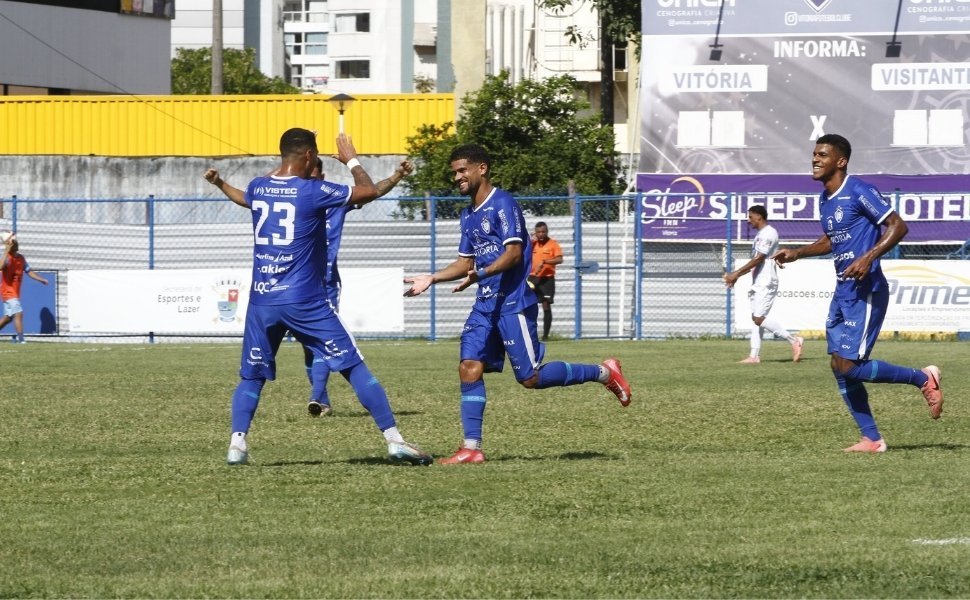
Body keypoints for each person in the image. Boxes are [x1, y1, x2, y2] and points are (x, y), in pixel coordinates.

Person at [403, 144, 631, 465]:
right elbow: (463, 262)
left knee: (530, 378)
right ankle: (472, 447)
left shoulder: (503, 203)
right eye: (454, 172)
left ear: (481, 168)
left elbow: (512, 254)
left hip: (513, 303)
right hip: (484, 306)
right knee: (469, 367)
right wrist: (432, 277)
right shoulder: (468, 215)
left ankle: (603, 372)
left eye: (461, 170)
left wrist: (479, 273)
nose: (456, 177)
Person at [224, 128, 431, 465]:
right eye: (316, 155)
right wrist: (351, 159)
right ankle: (395, 441)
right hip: (304, 299)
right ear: (308, 156)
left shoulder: (258, 186)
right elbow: (367, 191)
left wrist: (220, 184)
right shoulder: (312, 191)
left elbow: (245, 195)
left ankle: (237, 445)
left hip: (262, 301)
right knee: (353, 365)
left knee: (252, 375)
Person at [773, 133, 943, 453]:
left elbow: (897, 225)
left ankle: (922, 378)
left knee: (849, 365)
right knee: (838, 364)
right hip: (843, 290)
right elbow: (831, 241)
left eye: (822, 155)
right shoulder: (825, 198)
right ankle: (872, 439)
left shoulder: (859, 190)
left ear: (841, 161)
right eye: (814, 154)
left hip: (867, 289)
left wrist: (869, 256)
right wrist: (798, 252)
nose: (815, 159)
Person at [205, 156, 413, 417]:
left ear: (321, 178)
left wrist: (396, 176)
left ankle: (317, 396)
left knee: (317, 346)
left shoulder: (332, 200)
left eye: (310, 175)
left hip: (323, 284)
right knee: (310, 346)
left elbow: (372, 191)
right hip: (292, 288)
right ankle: (322, 398)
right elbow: (257, 191)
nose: (303, 178)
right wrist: (288, 160)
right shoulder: (293, 193)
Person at [723, 205, 803, 363]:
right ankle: (754, 356)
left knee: (758, 318)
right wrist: (737, 276)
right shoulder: (761, 234)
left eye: (750, 217)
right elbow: (756, 261)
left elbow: (759, 258)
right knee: (756, 318)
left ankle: (794, 340)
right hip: (759, 280)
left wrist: (736, 273)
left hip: (766, 281)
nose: (748, 220)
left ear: (759, 217)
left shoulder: (769, 233)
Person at [0, 233, 49, 344]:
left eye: (16, 241)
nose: (16, 243)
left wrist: (41, 279)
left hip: (15, 293)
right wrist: (6, 251)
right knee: (18, 313)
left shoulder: (21, 258)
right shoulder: (7, 258)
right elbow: (0, 267)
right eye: (13, 241)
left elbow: (29, 271)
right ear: (9, 245)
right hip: (7, 292)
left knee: (8, 318)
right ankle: (21, 340)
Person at [527, 221, 563, 341]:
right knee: (527, 304)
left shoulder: (553, 244)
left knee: (546, 306)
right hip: (533, 277)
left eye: (543, 232)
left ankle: (545, 336)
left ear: (547, 232)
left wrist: (546, 262)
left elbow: (559, 259)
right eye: (538, 232)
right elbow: (522, 252)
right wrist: (530, 240)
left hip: (547, 279)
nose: (541, 234)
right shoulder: (533, 244)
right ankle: (528, 334)